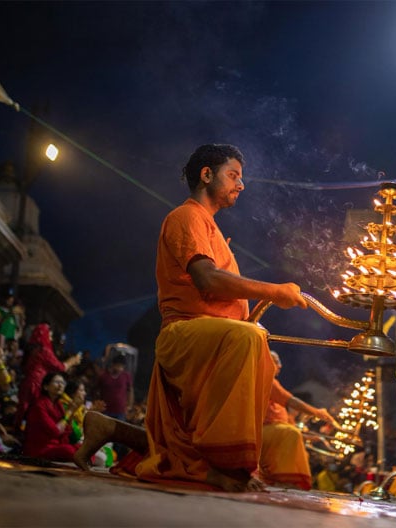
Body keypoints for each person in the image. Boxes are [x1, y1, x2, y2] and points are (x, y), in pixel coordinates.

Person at [75, 143, 307, 492]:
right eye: (234, 176)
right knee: (249, 338)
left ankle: (110, 429)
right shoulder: (186, 217)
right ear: (206, 174)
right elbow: (207, 279)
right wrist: (274, 291)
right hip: (185, 334)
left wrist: (255, 311)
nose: (241, 185)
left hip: (210, 335)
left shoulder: (211, 229)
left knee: (254, 339)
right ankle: (221, 467)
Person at [260, 350, 338, 490]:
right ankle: (282, 479)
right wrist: (317, 412)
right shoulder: (266, 380)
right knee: (291, 433)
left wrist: (317, 438)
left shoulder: (273, 384)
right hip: (262, 431)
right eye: (276, 361)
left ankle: (286, 481)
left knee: (293, 434)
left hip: (274, 432)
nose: (280, 365)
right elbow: (291, 401)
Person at [15, 323, 80, 428]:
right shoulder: (44, 350)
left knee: (23, 409)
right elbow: (60, 367)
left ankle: (18, 430)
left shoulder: (32, 349)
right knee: (33, 411)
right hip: (37, 384)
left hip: (27, 382)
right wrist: (73, 361)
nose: (51, 339)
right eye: (49, 335)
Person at [22, 372, 83, 462]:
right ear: (46, 387)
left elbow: (67, 430)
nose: (60, 385)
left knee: (84, 448)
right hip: (41, 448)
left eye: (62, 383)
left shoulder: (58, 405)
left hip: (57, 445)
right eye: (57, 382)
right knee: (69, 450)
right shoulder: (39, 405)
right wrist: (69, 411)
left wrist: (72, 412)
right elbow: (54, 431)